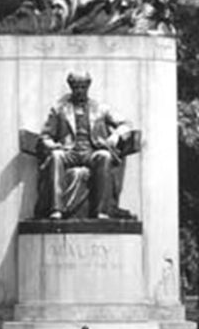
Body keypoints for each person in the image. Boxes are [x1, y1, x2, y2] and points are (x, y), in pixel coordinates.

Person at [37, 71, 132, 219]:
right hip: (69, 152)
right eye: (76, 87)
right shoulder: (59, 109)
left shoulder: (101, 108)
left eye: (82, 87)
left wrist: (116, 136)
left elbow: (126, 124)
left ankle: (102, 211)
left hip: (92, 152)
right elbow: (45, 136)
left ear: (88, 87)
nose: (79, 90)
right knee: (56, 156)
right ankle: (56, 209)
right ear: (71, 87)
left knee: (105, 156)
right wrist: (53, 146)